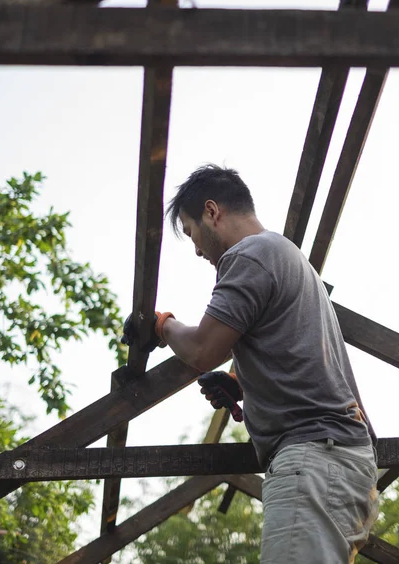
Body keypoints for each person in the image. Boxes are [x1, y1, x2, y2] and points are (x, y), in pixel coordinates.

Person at [142, 164, 379, 563]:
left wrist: (162, 325)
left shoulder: (249, 255)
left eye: (192, 232)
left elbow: (202, 350)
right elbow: (299, 356)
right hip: (336, 460)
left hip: (315, 459)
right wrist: (243, 386)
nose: (198, 249)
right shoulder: (285, 255)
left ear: (212, 211)